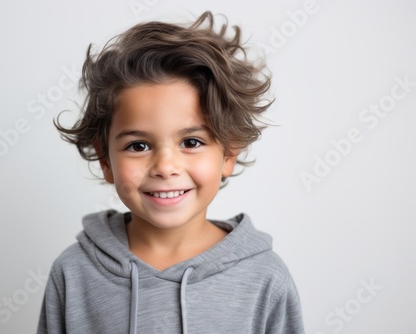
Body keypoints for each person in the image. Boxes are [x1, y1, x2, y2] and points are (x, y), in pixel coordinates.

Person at [37, 11, 304, 334]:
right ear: (106, 160)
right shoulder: (73, 272)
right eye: (138, 146)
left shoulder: (265, 277)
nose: (165, 167)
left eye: (191, 142)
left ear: (229, 154)